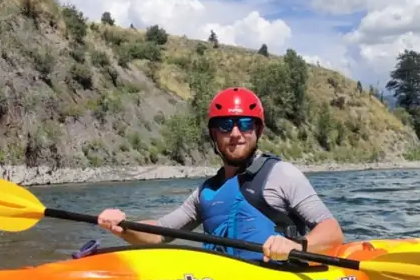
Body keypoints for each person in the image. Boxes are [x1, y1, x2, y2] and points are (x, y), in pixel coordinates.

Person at [96, 87, 344, 263]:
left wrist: (295, 246)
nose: (235, 133)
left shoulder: (281, 175)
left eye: (245, 123)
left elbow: (332, 232)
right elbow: (160, 234)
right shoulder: (206, 192)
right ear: (214, 135)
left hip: (278, 279)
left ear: (258, 130)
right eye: (225, 125)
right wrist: (123, 227)